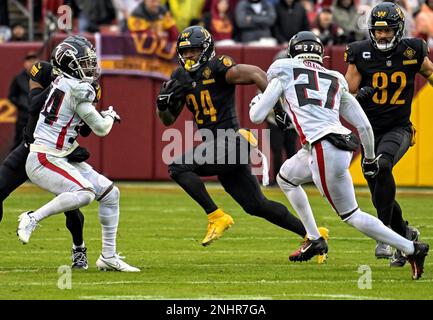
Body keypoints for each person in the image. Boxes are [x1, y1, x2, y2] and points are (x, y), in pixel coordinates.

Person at [249, 30, 429, 280]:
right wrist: (368, 159)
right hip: (339, 144)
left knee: (352, 215)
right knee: (286, 177)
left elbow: (257, 117)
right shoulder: (333, 78)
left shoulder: (283, 69)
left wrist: (257, 103)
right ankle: (314, 238)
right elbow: (364, 126)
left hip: (323, 147)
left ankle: (411, 248)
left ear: (294, 51)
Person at [156, 25, 329, 260]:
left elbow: (257, 74)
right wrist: (163, 104)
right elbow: (168, 120)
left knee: (178, 167)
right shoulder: (180, 76)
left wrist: (276, 107)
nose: (189, 56)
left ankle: (216, 216)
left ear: (206, 50)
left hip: (230, 141)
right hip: (216, 146)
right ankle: (314, 236)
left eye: (194, 51)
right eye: (185, 52)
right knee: (256, 205)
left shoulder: (218, 67)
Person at [16, 36, 139, 272]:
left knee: (111, 194)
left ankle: (109, 257)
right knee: (85, 193)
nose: (90, 67)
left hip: (59, 154)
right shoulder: (77, 89)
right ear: (70, 64)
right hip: (44, 157)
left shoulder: (64, 83)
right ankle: (32, 217)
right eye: (84, 62)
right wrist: (111, 115)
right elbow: (101, 129)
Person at [344, 1, 433, 266]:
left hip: (399, 128)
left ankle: (384, 235)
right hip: (369, 131)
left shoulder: (413, 50)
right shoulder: (359, 52)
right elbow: (346, 95)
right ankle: (406, 234)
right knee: (378, 189)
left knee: (381, 166)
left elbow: (429, 72)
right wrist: (361, 95)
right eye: (378, 30)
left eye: (388, 30)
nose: (382, 35)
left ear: (399, 29)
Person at [8, 52, 38, 150]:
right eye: (29, 60)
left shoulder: (41, 78)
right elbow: (12, 96)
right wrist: (22, 103)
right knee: (19, 144)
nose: (32, 63)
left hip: (37, 118)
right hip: (23, 118)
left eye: (34, 60)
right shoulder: (18, 78)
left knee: (36, 144)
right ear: (25, 63)